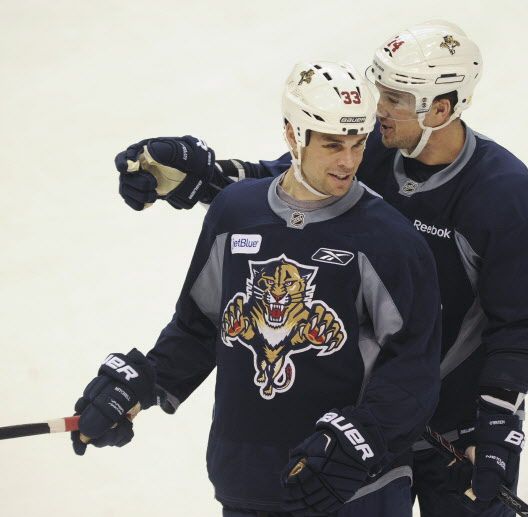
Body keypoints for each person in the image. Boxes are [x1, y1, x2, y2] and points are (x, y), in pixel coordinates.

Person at [114, 21, 528, 516]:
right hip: (365, 426)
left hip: (454, 432)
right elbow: (288, 188)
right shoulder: (372, 149)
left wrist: (497, 422)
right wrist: (201, 178)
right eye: (381, 92)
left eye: (396, 98)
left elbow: (525, 322)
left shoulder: (507, 196)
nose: (379, 110)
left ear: (440, 108)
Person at [74, 61, 442, 517]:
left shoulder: (388, 239)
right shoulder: (235, 213)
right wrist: (139, 387)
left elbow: (415, 367)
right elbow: (201, 325)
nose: (349, 161)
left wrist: (362, 438)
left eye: (357, 144)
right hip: (247, 480)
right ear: (293, 134)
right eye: (332, 145)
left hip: (353, 491)